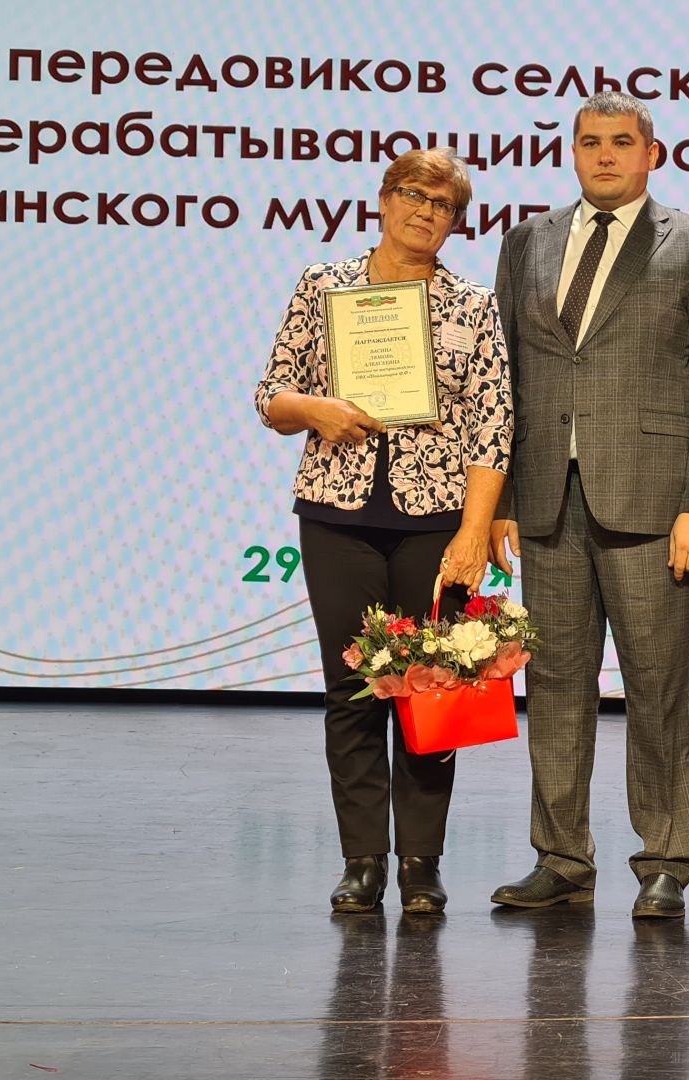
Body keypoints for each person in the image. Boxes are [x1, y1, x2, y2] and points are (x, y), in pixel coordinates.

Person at [486, 92, 689, 919]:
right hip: (544, 501)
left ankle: (666, 857)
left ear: (651, 155)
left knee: (655, 686)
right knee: (557, 683)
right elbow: (506, 384)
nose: (604, 156)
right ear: (572, 151)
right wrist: (494, 502)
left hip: (654, 503)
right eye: (590, 143)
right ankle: (561, 856)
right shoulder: (527, 241)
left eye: (621, 143)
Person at [254, 148, 512, 916]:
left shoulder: (472, 305)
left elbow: (495, 427)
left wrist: (473, 534)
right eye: (413, 195)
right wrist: (315, 410)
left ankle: (422, 865)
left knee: (434, 693)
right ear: (383, 198)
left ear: (455, 222)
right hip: (337, 515)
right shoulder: (324, 285)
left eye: (442, 205)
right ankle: (362, 859)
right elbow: (270, 395)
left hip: (436, 523)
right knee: (354, 691)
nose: (426, 212)